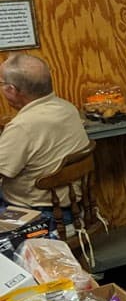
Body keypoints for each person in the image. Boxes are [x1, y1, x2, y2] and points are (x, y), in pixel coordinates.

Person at [0, 54, 91, 212]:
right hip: (72, 202)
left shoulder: (22, 126)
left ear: (11, 90)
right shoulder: (67, 108)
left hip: (39, 211)